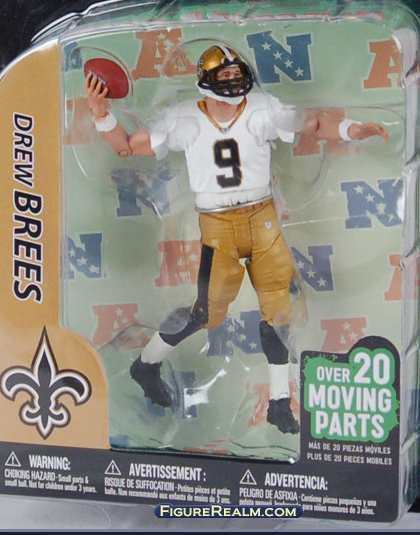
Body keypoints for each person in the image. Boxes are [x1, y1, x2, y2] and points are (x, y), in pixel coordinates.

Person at [86, 43, 389, 434]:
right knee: (205, 313)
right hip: (219, 225)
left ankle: (278, 402)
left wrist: (353, 130)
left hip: (262, 218)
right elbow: (127, 147)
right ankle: (146, 365)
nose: (232, 81)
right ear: (206, 80)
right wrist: (101, 114)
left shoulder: (261, 109)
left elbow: (313, 124)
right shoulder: (184, 118)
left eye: (236, 74)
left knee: (279, 313)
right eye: (224, 76)